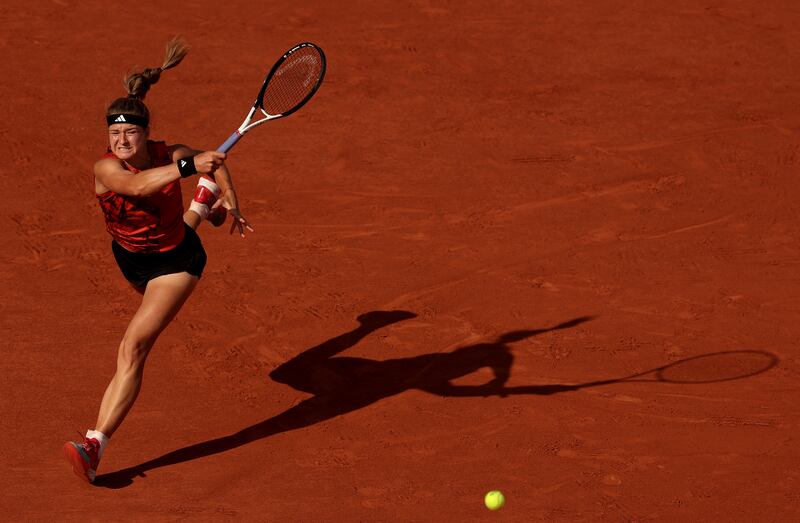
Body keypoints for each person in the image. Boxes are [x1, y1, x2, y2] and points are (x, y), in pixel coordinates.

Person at [63, 37, 254, 483]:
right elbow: (138, 188)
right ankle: (201, 205)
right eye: (114, 134)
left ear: (146, 134)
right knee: (174, 212)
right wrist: (200, 176)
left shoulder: (173, 153)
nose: (121, 140)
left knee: (133, 348)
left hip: (174, 264)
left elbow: (214, 162)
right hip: (130, 257)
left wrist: (233, 199)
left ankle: (95, 446)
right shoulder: (106, 169)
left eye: (130, 132)